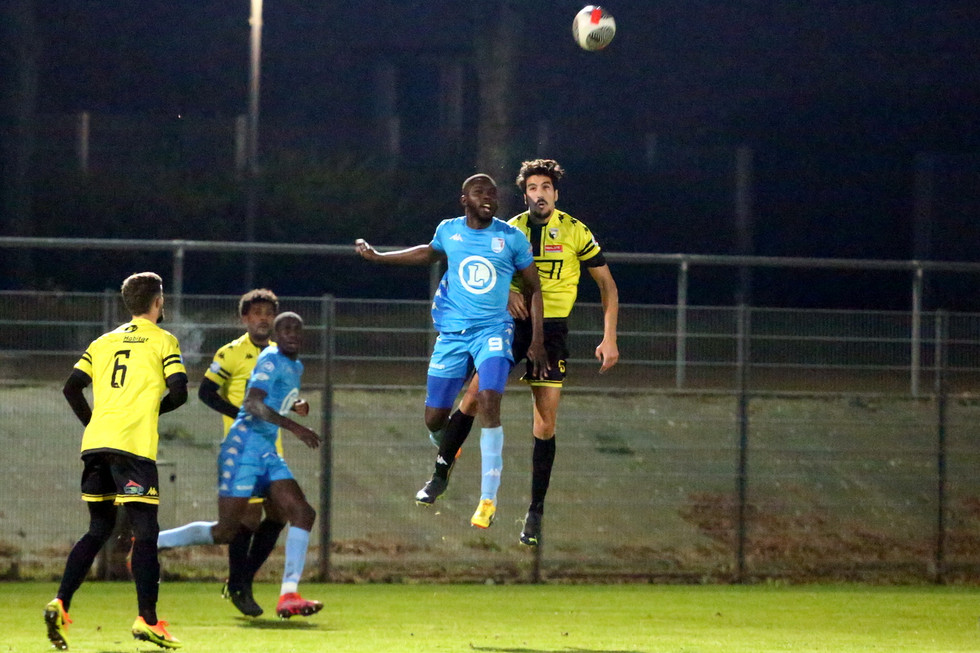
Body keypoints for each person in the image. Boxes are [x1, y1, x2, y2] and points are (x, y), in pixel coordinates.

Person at [420, 159, 619, 547]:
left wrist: (609, 337)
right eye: (532, 188)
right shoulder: (511, 230)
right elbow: (491, 272)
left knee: (544, 422)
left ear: (555, 193)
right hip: (511, 325)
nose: (539, 194)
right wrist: (510, 294)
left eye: (546, 187)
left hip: (552, 330)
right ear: (524, 194)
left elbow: (607, 286)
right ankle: (439, 475)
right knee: (473, 396)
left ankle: (534, 513)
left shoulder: (576, 231)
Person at [355, 173, 548, 529]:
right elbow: (427, 254)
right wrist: (380, 257)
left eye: (493, 193)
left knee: (489, 398)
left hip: (494, 330)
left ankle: (487, 499)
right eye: (479, 192)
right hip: (453, 334)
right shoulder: (449, 230)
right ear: (464, 200)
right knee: (434, 418)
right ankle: (447, 452)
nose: (488, 198)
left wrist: (537, 341)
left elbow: (534, 288)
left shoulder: (511, 238)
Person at [47, 271, 189, 650]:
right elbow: (179, 393)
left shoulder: (103, 341)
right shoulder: (164, 340)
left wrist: (96, 424)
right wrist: (148, 412)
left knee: (99, 528)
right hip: (132, 447)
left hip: (96, 444)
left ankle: (60, 602)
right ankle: (148, 620)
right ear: (158, 302)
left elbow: (71, 388)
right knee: (146, 532)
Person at [157, 312, 324, 619]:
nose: (291, 333)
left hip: (266, 451)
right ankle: (154, 542)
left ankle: (288, 595)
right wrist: (295, 427)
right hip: (243, 447)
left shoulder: (295, 366)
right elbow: (253, 403)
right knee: (226, 531)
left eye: (296, 329)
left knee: (302, 513)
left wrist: (294, 404)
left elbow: (273, 397)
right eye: (285, 329)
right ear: (276, 335)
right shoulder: (270, 359)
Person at [198, 289, 287, 617]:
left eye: (269, 313)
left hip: (272, 449)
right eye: (257, 313)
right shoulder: (231, 353)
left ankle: (239, 580)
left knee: (279, 514)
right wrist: (240, 416)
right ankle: (239, 585)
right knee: (249, 518)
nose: (264, 318)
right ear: (245, 318)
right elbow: (206, 392)